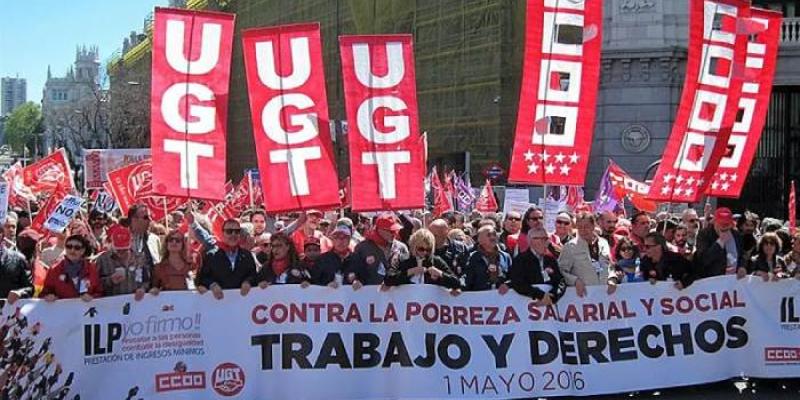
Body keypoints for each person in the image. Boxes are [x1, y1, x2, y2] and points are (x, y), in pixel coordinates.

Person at [196, 219, 259, 300]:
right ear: (222, 234)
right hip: (218, 304)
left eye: (237, 231)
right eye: (229, 231)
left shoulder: (247, 255)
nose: (233, 234)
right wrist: (212, 285)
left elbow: (254, 276)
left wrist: (248, 282)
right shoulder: (211, 255)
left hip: (242, 303)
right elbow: (201, 279)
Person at [384, 229, 460, 290]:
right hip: (407, 304)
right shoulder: (403, 259)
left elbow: (456, 283)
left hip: (429, 305)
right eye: (421, 249)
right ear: (414, 246)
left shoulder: (436, 261)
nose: (425, 252)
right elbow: (388, 279)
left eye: (428, 249)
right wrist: (410, 272)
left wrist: (440, 274)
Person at [349, 214, 410, 288]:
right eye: (390, 231)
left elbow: (407, 271)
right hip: (370, 296)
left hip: (396, 296)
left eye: (395, 230)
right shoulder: (362, 248)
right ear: (379, 229)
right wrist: (355, 280)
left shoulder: (401, 247)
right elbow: (353, 270)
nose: (394, 233)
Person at [558, 212, 611, 297]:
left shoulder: (603, 243)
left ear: (593, 226)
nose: (583, 230)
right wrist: (575, 281)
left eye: (586, 226)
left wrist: (612, 278)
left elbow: (610, 265)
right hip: (583, 296)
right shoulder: (570, 247)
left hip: (605, 293)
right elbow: (561, 270)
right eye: (580, 227)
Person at [509, 227, 566, 305]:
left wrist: (552, 296)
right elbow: (518, 283)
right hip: (528, 306)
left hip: (550, 306)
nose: (545, 242)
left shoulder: (551, 260)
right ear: (530, 241)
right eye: (541, 239)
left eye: (546, 239)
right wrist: (541, 295)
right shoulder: (520, 259)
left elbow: (561, 281)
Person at [40, 235, 102, 301]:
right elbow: (44, 294)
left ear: (83, 250)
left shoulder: (91, 269)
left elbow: (100, 293)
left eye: (77, 248)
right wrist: (49, 297)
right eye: (69, 247)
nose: (72, 250)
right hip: (63, 310)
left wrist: (92, 297)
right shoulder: (55, 269)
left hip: (84, 310)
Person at [97, 225, 150, 300]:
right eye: (118, 250)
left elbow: (147, 280)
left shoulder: (139, 258)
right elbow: (95, 285)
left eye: (124, 250)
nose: (121, 253)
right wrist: (110, 280)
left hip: (135, 302)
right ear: (112, 244)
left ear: (131, 244)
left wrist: (143, 289)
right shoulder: (103, 260)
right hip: (112, 304)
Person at [695, 207, 747, 278]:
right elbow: (703, 260)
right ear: (714, 222)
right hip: (712, 281)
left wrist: (742, 266)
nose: (724, 227)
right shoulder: (704, 235)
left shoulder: (736, 235)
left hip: (733, 280)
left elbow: (742, 254)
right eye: (721, 224)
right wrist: (719, 243)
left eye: (727, 224)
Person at [463, 225, 512, 292]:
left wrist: (507, 284)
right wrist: (457, 288)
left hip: (502, 298)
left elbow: (513, 277)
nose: (493, 237)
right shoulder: (472, 258)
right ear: (480, 240)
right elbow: (466, 279)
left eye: (494, 234)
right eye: (489, 235)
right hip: (480, 298)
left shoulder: (505, 257)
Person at [0, 226, 32, 305]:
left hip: (8, 313)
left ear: (2, 235)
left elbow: (30, 288)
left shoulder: (18, 259)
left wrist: (20, 293)